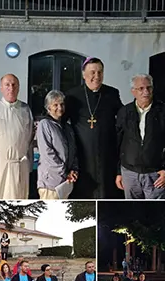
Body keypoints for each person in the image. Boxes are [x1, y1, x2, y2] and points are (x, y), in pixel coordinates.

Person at [65, 57, 124, 199]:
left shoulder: (111, 93)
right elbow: (62, 123)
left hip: (107, 155)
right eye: (92, 72)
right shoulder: (73, 95)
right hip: (82, 156)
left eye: (100, 72)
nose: (96, 76)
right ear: (84, 75)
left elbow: (123, 118)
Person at [115, 74, 165, 199]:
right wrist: (118, 172)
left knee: (155, 215)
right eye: (141, 88)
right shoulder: (124, 112)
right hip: (129, 174)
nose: (146, 92)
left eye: (149, 88)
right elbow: (118, 144)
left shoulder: (164, 112)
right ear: (133, 92)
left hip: (155, 174)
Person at [0, 74, 34, 199]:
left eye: (14, 85)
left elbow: (29, 139)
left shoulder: (25, 109)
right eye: (7, 85)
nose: (11, 88)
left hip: (20, 166)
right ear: (1, 88)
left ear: (19, 87)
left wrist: (28, 166)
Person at [36, 90, 79, 199]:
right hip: (50, 184)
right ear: (48, 107)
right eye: (55, 105)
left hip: (65, 183)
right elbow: (47, 153)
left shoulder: (67, 128)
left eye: (62, 104)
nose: (59, 107)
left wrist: (73, 170)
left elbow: (73, 150)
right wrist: (64, 171)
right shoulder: (44, 125)